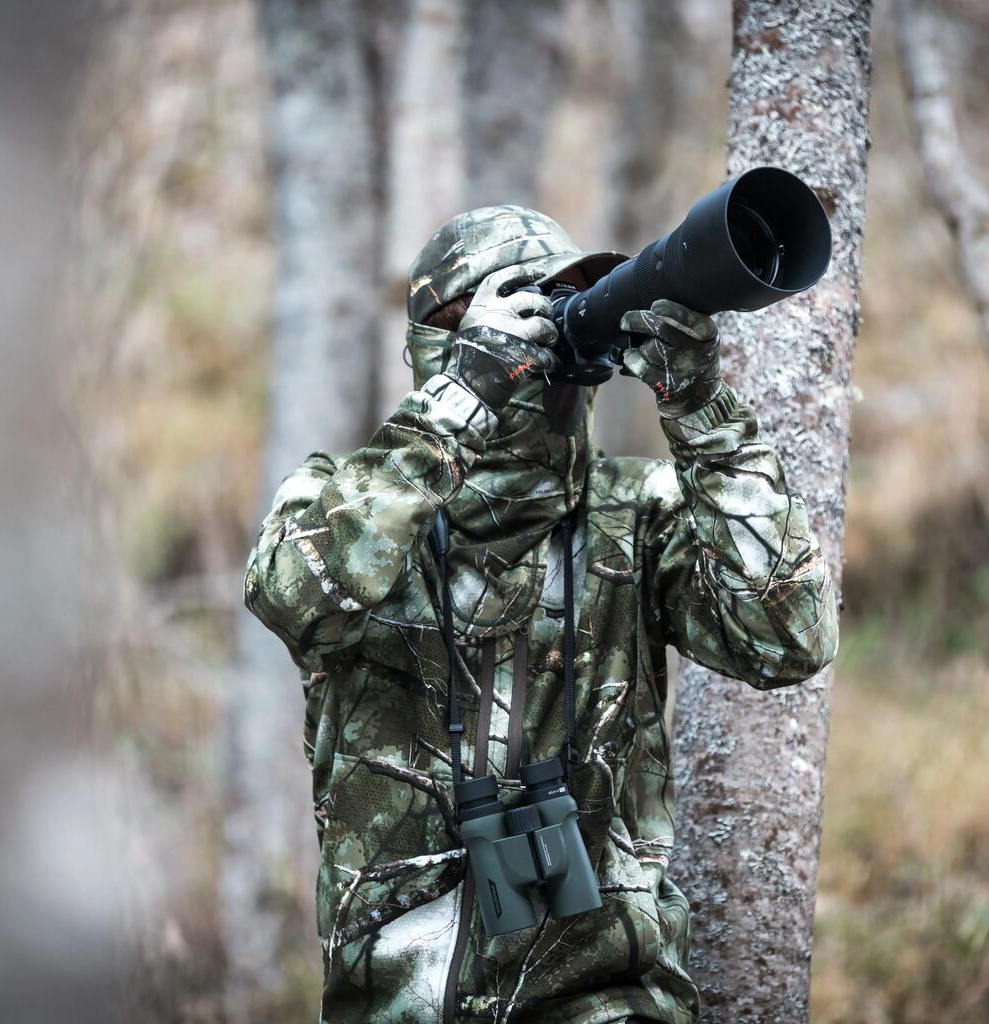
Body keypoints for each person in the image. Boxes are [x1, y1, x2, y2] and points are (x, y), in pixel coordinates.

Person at [244, 205, 838, 1024]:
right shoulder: (350, 500)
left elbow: (791, 641)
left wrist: (701, 410)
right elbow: (292, 595)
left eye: (560, 306)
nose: (545, 339)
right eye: (513, 306)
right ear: (442, 340)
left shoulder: (638, 517)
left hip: (612, 1005)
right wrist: (464, 394)